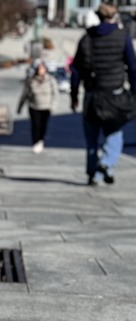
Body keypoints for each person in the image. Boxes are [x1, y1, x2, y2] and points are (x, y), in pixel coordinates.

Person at [70, 2, 136, 186]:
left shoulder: (87, 38)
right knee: (114, 134)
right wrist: (134, 90)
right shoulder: (122, 37)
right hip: (115, 94)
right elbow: (132, 67)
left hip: (92, 94)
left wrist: (74, 95)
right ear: (114, 17)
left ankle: (94, 173)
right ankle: (106, 164)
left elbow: (76, 70)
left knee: (91, 138)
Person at [17, 60, 58, 153]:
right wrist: (20, 107)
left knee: (43, 125)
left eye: (42, 68)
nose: (41, 70)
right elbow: (25, 94)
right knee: (35, 125)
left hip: (46, 106)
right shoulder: (31, 80)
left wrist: (53, 106)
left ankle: (40, 140)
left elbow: (55, 94)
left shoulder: (51, 80)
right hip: (34, 106)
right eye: (39, 68)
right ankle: (35, 142)